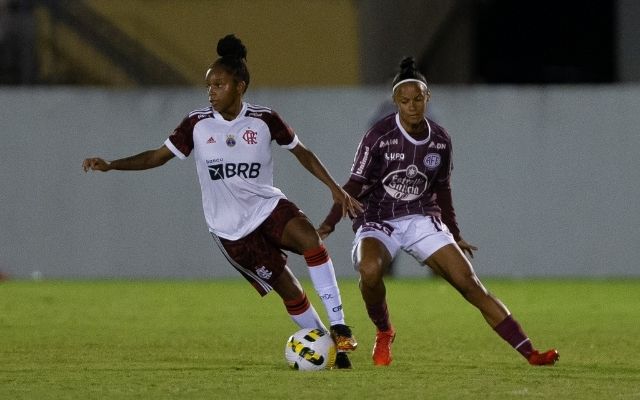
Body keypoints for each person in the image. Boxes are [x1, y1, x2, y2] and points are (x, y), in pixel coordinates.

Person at [83, 34, 361, 369]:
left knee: (311, 241)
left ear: (239, 85)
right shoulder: (197, 124)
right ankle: (331, 351)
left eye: (218, 84)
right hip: (231, 231)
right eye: (208, 86)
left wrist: (334, 187)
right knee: (289, 289)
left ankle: (340, 324)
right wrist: (113, 164)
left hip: (267, 207)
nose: (211, 92)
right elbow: (158, 156)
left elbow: (302, 152)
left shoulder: (264, 119)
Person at [318, 56, 559, 367]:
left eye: (418, 99)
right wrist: (329, 223)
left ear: (427, 98)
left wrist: (455, 235)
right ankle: (384, 331)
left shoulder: (441, 140)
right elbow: (353, 183)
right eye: (405, 101)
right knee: (370, 271)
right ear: (396, 102)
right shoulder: (378, 135)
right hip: (378, 218)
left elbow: (443, 191)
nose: (413, 106)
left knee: (470, 284)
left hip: (421, 217)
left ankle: (531, 353)